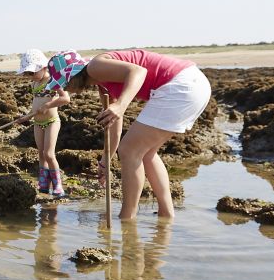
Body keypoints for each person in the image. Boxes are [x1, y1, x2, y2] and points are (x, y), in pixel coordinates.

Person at [40, 49, 211, 222]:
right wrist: (106, 159)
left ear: (73, 74)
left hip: (181, 86)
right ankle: (166, 214)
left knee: (130, 151)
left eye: (63, 83)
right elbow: (115, 125)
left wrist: (121, 105)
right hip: (194, 85)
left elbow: (138, 71)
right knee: (146, 153)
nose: (64, 88)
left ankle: (127, 218)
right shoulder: (102, 83)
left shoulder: (95, 67)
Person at [13, 48, 70, 196]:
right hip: (37, 123)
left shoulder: (52, 81)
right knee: (41, 154)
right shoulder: (34, 84)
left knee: (49, 154)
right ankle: (44, 183)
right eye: (27, 74)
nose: (30, 77)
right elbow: (35, 106)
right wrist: (25, 118)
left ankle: (58, 185)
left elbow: (65, 99)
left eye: (32, 73)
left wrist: (48, 105)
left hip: (52, 121)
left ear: (43, 67)